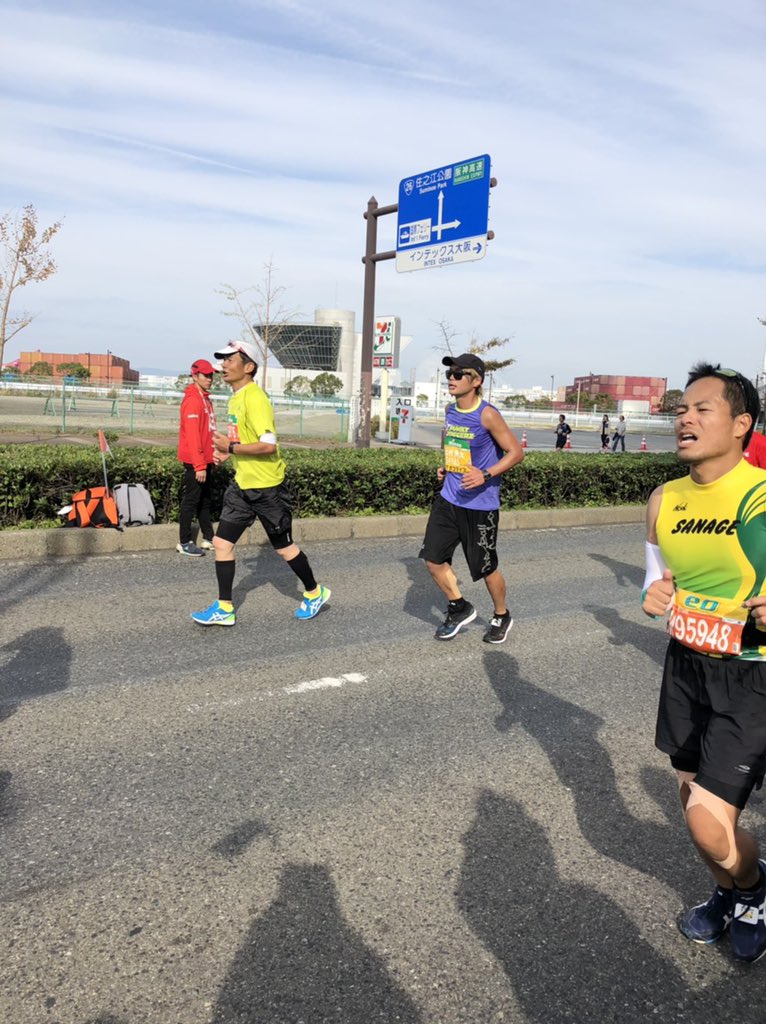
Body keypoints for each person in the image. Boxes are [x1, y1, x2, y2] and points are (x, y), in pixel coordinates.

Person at [642, 362, 766, 963]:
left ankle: (755, 889)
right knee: (692, 804)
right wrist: (654, 594)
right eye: (681, 410)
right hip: (686, 666)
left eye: (702, 409)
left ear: (742, 424)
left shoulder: (760, 495)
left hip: (752, 674)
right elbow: (655, 578)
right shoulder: (663, 499)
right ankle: (729, 889)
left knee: (707, 825)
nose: (684, 418)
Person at [191, 339, 329, 627]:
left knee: (284, 548)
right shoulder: (236, 397)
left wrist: (230, 448)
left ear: (248, 367)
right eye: (223, 360)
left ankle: (315, 592)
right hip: (242, 485)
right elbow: (246, 440)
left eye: (230, 360)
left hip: (267, 488)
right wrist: (229, 454)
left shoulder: (255, 398)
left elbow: (268, 446)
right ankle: (224, 608)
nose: (223, 366)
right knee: (221, 542)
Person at [419, 353, 524, 643]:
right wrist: (447, 467)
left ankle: (502, 614)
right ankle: (459, 607)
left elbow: (516, 453)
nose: (450, 379)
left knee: (485, 568)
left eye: (457, 374)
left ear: (476, 381)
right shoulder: (450, 410)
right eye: (448, 374)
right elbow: (454, 443)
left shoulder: (487, 414)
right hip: (449, 499)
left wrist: (486, 474)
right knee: (432, 559)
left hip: (480, 506)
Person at [176, 358, 218, 556]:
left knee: (205, 501)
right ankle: (184, 542)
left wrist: (213, 456)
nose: (209, 379)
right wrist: (199, 465)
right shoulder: (193, 400)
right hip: (195, 462)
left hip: (205, 460)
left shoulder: (205, 399)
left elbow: (208, 432)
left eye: (211, 375)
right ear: (195, 376)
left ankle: (208, 538)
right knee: (191, 501)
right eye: (205, 375)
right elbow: (193, 437)